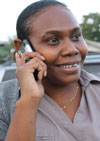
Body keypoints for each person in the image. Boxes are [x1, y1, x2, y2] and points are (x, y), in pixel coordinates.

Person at [0, 0, 100, 140]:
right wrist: (29, 100)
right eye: (53, 40)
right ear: (22, 47)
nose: (72, 49)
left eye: (76, 36)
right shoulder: (3, 100)